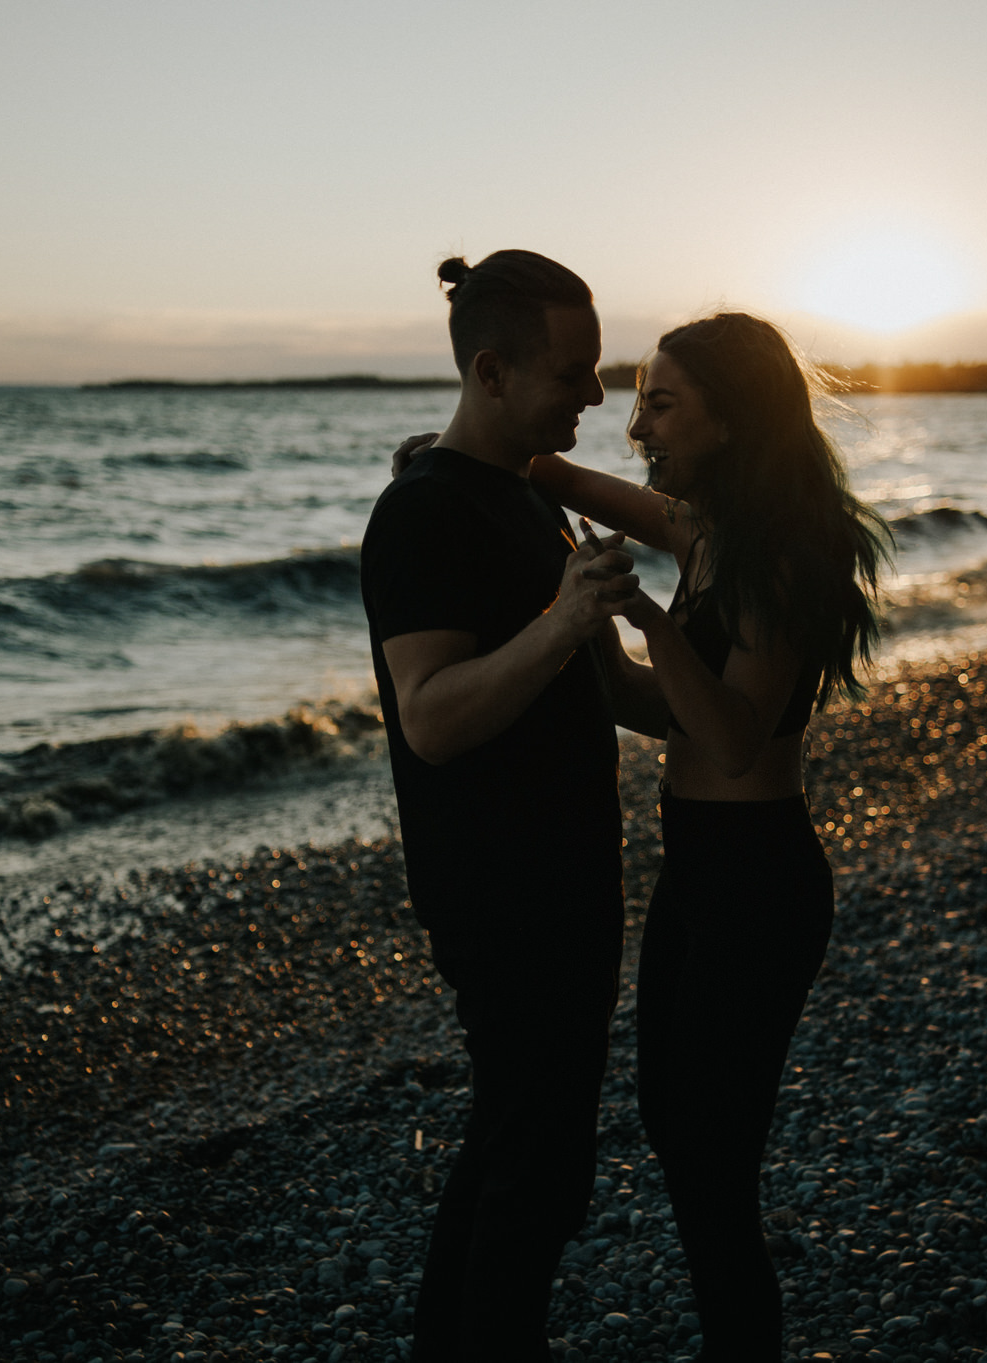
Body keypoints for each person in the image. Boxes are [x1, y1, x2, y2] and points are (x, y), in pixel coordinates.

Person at [528, 312, 896, 1359]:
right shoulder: (706, 535)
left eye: (661, 401)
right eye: (638, 398)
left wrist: (641, 622)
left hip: (759, 882)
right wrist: (489, 462)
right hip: (696, 871)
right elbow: (668, 706)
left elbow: (732, 737)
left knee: (708, 1160)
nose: (638, 424)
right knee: (671, 1120)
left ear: (730, 421)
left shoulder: (779, 560)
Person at [359, 248, 644, 1362]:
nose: (594, 395)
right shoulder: (422, 514)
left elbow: (611, 688)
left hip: (569, 873)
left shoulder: (526, 497)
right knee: (541, 1159)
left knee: (515, 1142)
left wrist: (743, 698)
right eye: (571, 373)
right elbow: (427, 716)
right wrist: (562, 624)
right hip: (498, 890)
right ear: (489, 370)